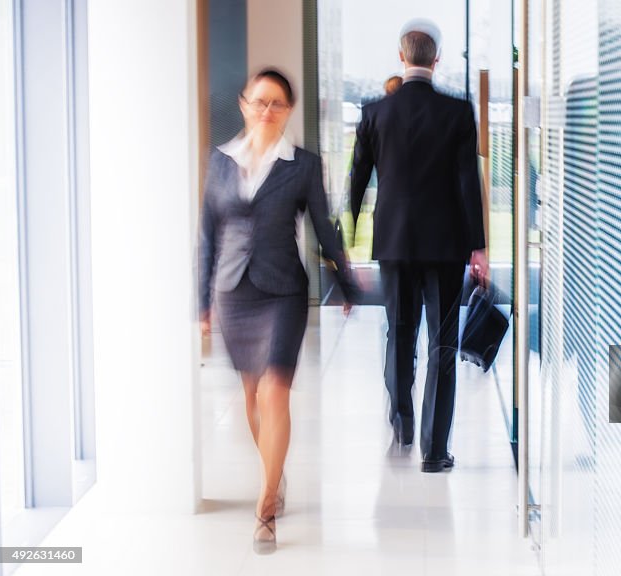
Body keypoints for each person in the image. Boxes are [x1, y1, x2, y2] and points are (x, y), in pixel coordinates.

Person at [199, 68, 359, 553]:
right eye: (259, 101)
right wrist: (200, 305)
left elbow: (323, 228)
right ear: (244, 104)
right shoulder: (221, 161)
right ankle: (276, 471)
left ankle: (265, 509)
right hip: (234, 294)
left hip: (283, 291)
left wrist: (346, 281)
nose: (267, 110)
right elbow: (207, 235)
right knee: (251, 399)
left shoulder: (303, 164)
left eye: (277, 103)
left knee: (275, 393)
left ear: (287, 110)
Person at [349, 19, 488, 473]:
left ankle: (402, 422)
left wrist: (349, 237)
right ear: (437, 60)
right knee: (442, 344)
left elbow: (357, 180)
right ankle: (434, 450)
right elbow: (469, 183)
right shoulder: (457, 113)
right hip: (445, 245)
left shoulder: (373, 113)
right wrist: (478, 247)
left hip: (393, 241)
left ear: (402, 57)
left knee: (399, 334)